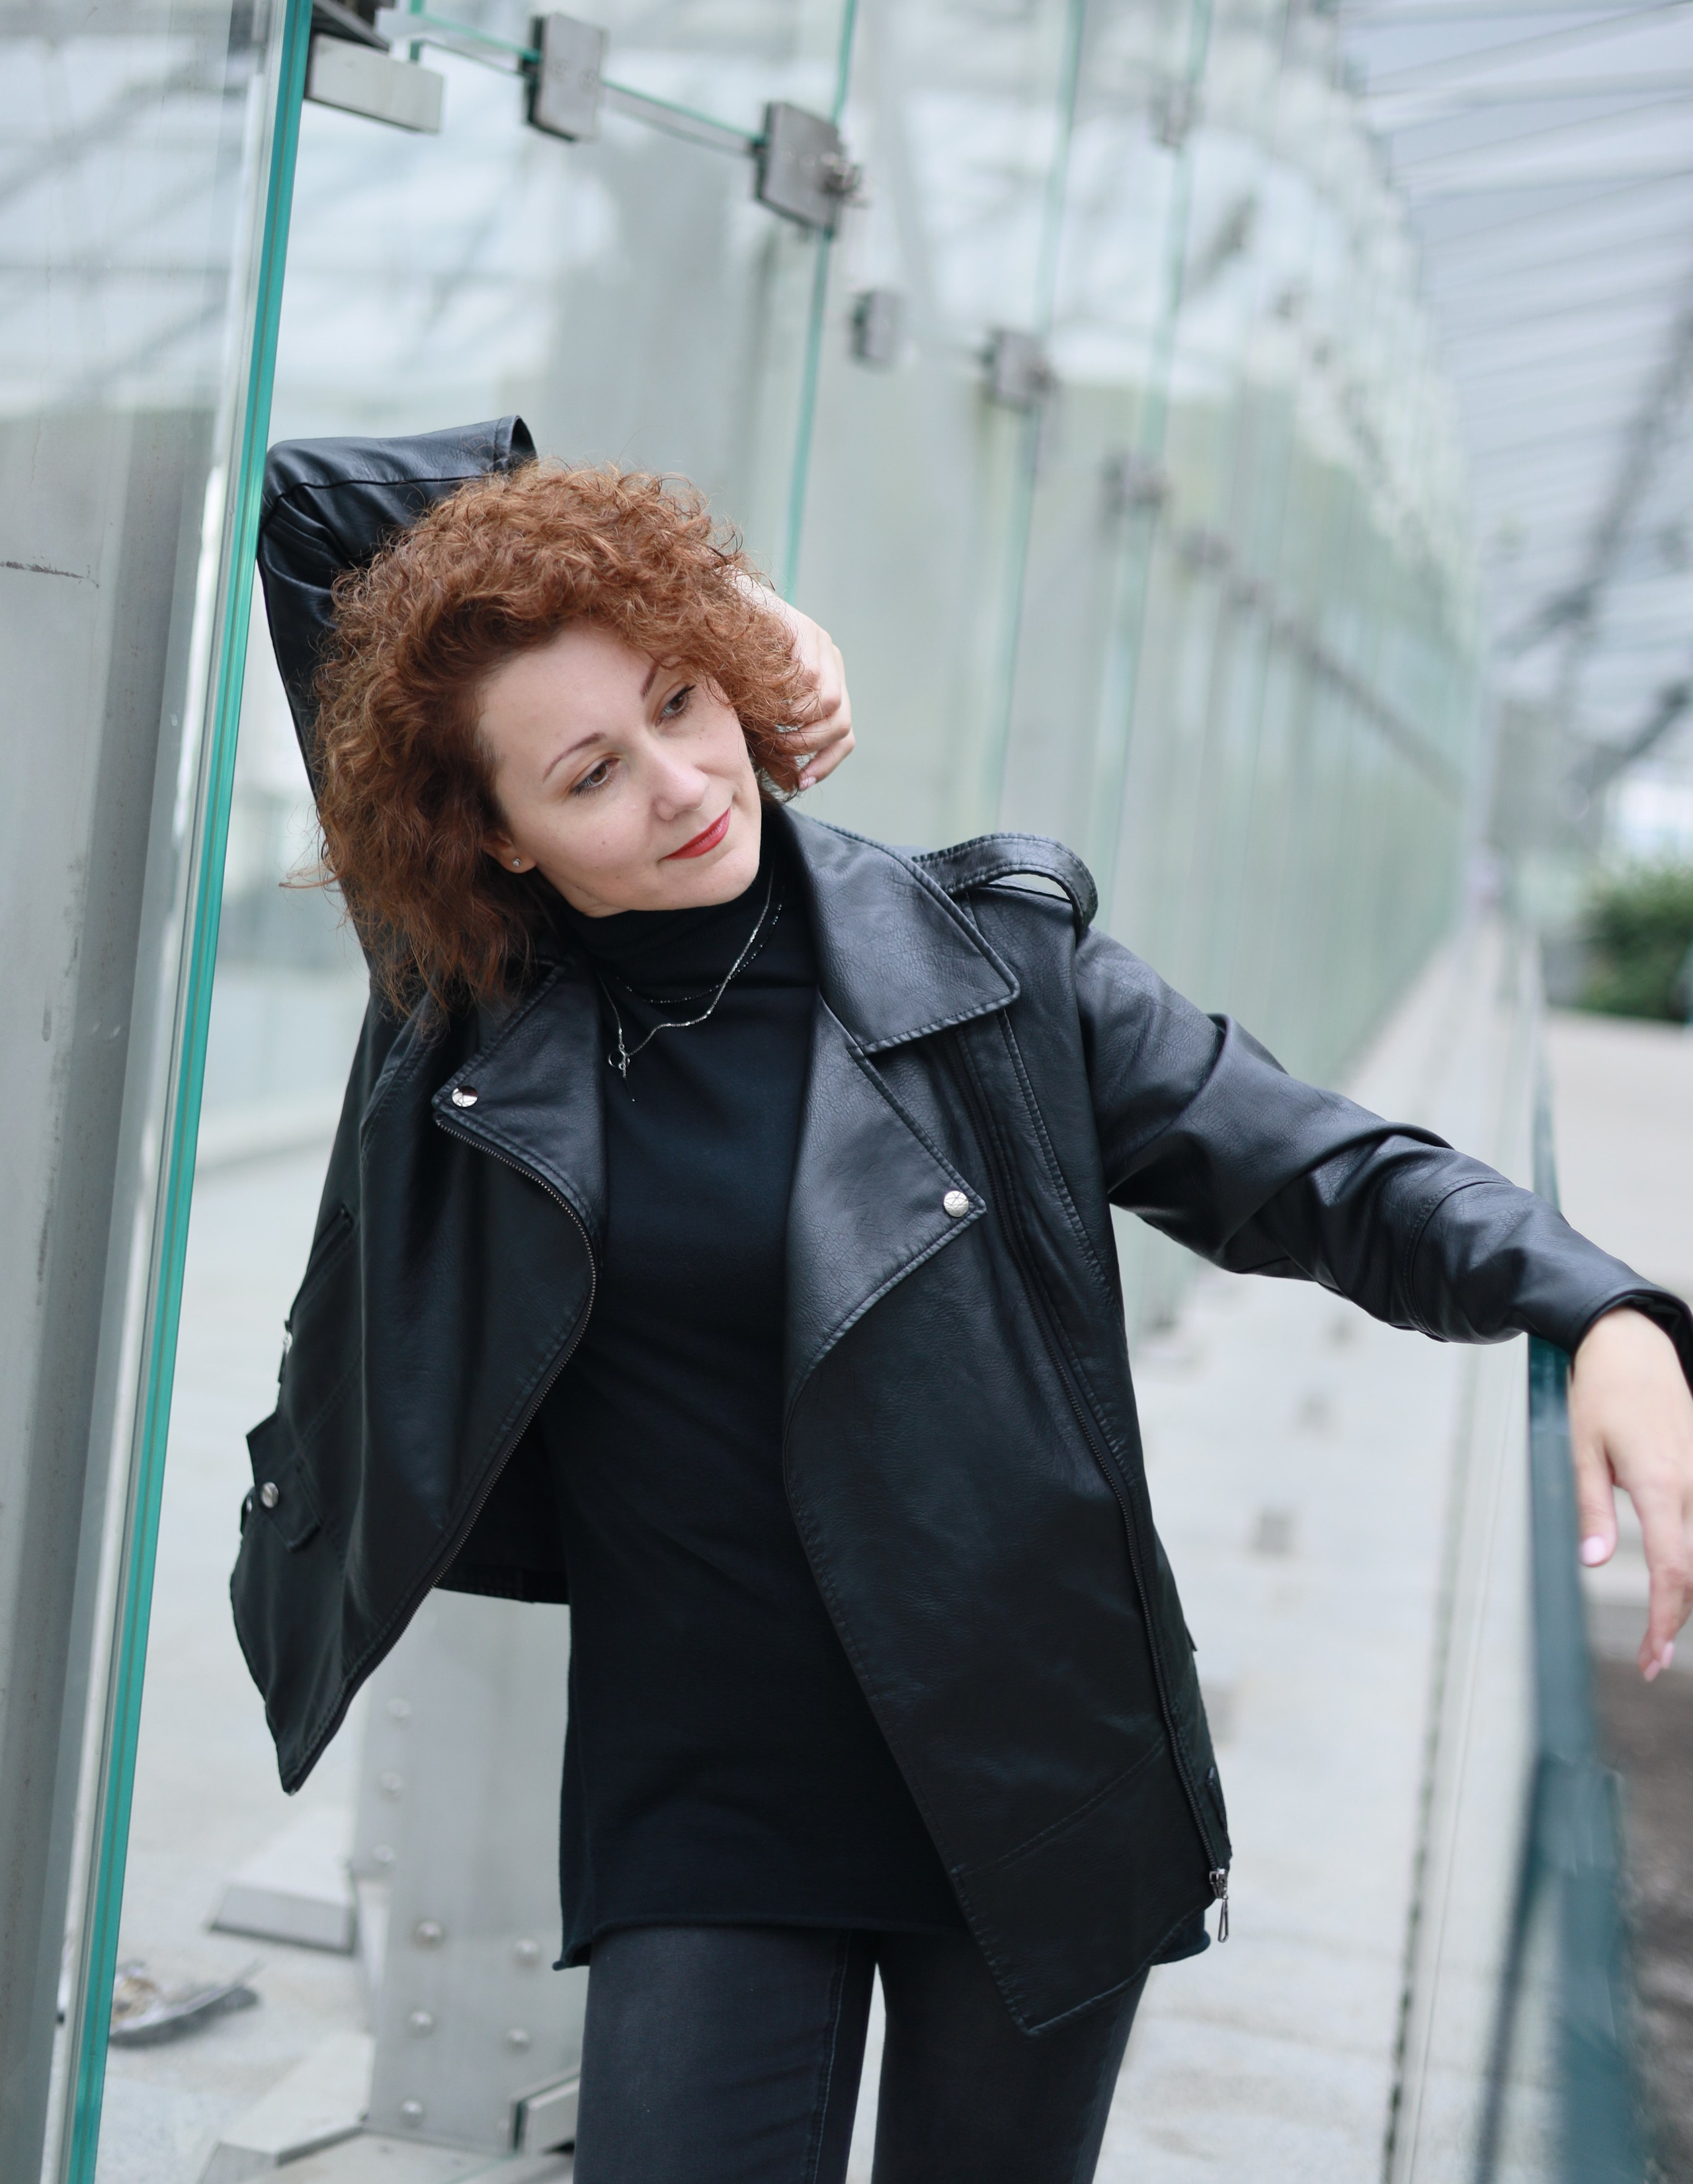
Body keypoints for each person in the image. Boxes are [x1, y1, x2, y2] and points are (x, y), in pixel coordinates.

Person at [237, 418, 1693, 2184]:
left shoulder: (995, 966)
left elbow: (1324, 1171)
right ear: (504, 840)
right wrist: (720, 605)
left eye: (689, 703)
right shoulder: (474, 1005)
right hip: (707, 1799)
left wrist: (1604, 1308)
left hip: (1028, 1773)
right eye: (594, 772)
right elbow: (321, 506)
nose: (686, 784)